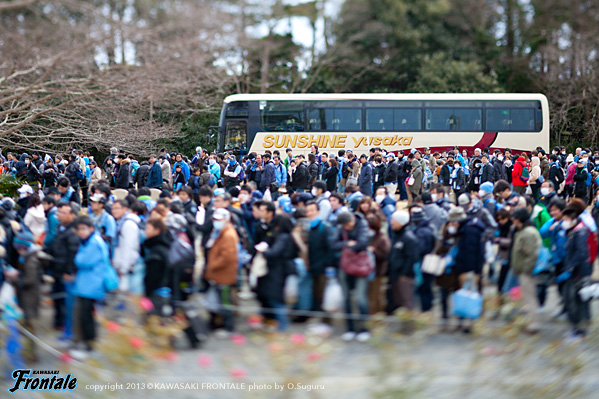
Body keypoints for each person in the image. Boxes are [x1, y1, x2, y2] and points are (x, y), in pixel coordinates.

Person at [71, 216, 112, 358]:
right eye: (79, 229)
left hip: (91, 284)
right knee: (86, 315)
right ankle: (88, 343)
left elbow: (81, 261)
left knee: (86, 316)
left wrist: (77, 258)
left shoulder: (93, 243)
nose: (81, 232)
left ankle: (89, 346)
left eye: (84, 228)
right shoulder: (89, 241)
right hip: (87, 284)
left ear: (91, 229)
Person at [333, 210, 371, 342]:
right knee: (346, 297)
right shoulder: (341, 227)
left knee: (361, 298)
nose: (345, 228)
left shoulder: (362, 224)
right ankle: (350, 329)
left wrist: (347, 246)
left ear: (351, 221)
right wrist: (347, 244)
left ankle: (364, 329)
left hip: (360, 266)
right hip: (345, 265)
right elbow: (333, 244)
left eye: (346, 226)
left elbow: (363, 242)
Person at [255, 214, 297, 332]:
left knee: (276, 298)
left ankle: (282, 325)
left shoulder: (282, 237)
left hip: (278, 269)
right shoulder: (287, 236)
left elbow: (275, 252)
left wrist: (264, 251)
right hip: (282, 268)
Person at [558, 207, 592, 340]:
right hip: (574, 270)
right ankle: (577, 328)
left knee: (574, 301)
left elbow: (582, 254)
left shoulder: (579, 232)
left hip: (577, 273)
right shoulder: (574, 231)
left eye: (565, 219)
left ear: (572, 219)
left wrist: (572, 269)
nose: (563, 222)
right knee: (572, 300)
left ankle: (579, 330)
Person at [48, 202, 80, 337]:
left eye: (62, 212)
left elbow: (72, 253)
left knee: (65, 301)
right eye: (58, 212)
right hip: (57, 268)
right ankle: (59, 322)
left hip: (65, 271)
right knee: (57, 298)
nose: (58, 215)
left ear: (72, 215)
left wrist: (69, 271)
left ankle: (68, 329)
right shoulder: (61, 227)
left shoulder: (74, 231)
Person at [205, 208, 239, 334]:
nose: (216, 222)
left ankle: (228, 327)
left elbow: (228, 256)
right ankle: (218, 324)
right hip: (219, 274)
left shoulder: (228, 234)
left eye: (218, 220)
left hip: (223, 274)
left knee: (225, 301)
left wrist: (213, 265)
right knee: (218, 301)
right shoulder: (221, 232)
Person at [510, 207, 542, 333]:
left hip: (527, 271)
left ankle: (534, 324)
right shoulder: (525, 231)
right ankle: (529, 321)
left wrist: (526, 269)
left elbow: (531, 254)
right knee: (527, 297)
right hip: (524, 269)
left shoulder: (527, 233)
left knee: (530, 298)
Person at [388, 210, 419, 313]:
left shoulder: (408, 238)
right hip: (395, 275)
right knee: (397, 303)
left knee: (406, 303)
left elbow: (411, 258)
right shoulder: (397, 236)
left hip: (404, 277)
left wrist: (405, 274)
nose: (391, 222)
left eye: (393, 220)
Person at [111, 200, 143, 293]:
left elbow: (128, 246)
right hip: (124, 264)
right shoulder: (121, 222)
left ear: (125, 209)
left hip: (129, 266)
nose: (114, 211)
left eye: (117, 208)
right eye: (113, 208)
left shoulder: (128, 224)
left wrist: (124, 268)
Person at [143, 218, 172, 300]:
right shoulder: (163, 244)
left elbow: (153, 275)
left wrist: (148, 294)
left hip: (157, 293)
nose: (145, 231)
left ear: (157, 230)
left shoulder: (157, 249)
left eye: (148, 228)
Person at [366, 213, 390, 314]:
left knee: (376, 296)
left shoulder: (382, 238)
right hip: (368, 270)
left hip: (378, 271)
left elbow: (385, 254)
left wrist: (373, 251)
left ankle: (377, 316)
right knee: (370, 295)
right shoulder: (368, 237)